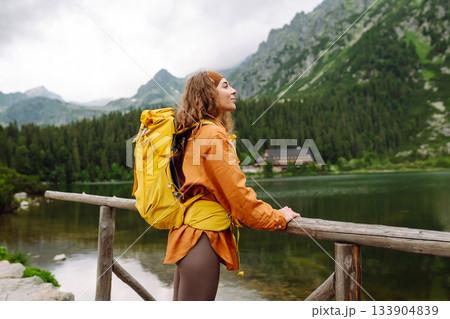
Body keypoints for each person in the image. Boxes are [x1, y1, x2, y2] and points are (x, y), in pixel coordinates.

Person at [164, 71, 300, 301]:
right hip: (203, 241)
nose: (233, 91)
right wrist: (278, 217)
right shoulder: (213, 135)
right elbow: (239, 198)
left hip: (186, 238)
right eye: (226, 86)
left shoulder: (192, 133)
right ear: (208, 94)